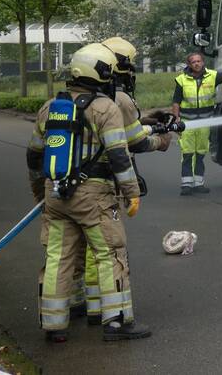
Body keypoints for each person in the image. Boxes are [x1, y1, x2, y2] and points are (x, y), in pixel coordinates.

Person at [26, 43, 151, 343]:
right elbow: (119, 156)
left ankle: (54, 327)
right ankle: (117, 323)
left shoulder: (49, 107)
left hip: (55, 195)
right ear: (99, 73)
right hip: (94, 197)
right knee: (110, 254)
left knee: (58, 258)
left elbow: (33, 156)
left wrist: (40, 194)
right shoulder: (105, 108)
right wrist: (132, 193)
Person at [72, 37, 182, 325]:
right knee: (107, 248)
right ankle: (110, 315)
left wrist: (149, 119)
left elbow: (125, 125)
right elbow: (129, 143)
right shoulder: (117, 98)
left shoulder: (80, 98)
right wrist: (160, 139)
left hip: (70, 185)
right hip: (99, 185)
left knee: (78, 246)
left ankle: (86, 306)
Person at [171, 52, 222, 195]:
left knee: (200, 154)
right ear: (189, 65)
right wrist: (175, 119)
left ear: (203, 62)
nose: (197, 64)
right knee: (187, 154)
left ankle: (198, 184)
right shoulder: (181, 80)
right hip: (187, 123)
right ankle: (186, 185)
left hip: (204, 122)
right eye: (193, 62)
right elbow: (176, 102)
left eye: (199, 61)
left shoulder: (212, 75)